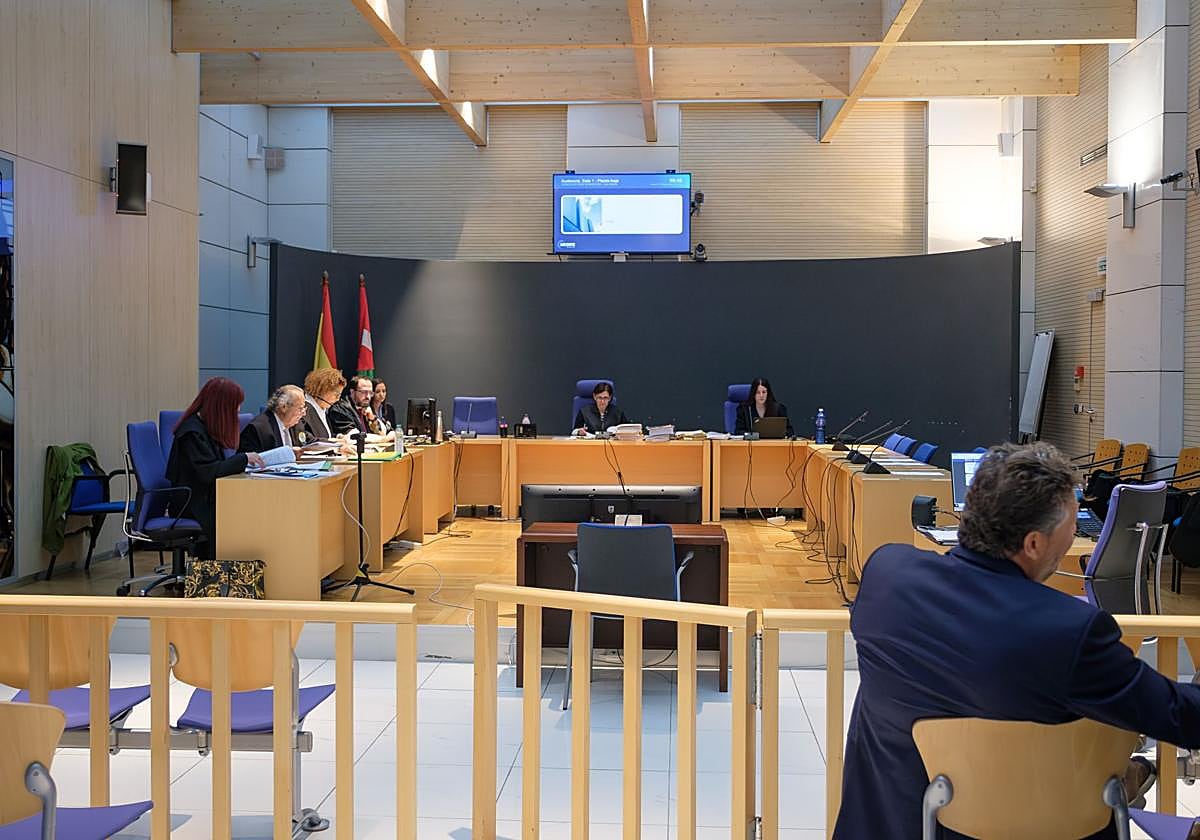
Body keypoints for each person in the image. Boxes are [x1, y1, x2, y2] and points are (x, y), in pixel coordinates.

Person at [834, 442, 1200, 840]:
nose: (1074, 532)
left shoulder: (886, 575)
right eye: (1072, 523)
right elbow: (1182, 717)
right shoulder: (1070, 632)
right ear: (1034, 543)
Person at [166, 377, 265, 559]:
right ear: (221, 406)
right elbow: (209, 472)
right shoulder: (192, 432)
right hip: (190, 502)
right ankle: (219, 576)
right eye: (235, 405)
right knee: (237, 518)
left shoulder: (204, 427)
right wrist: (243, 458)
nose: (238, 410)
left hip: (204, 496)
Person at [239, 384, 308, 453]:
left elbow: (309, 442)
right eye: (300, 408)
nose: (304, 413)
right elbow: (251, 460)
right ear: (284, 407)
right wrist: (286, 455)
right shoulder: (258, 430)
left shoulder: (296, 424)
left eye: (304, 408)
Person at [301, 368, 346, 440]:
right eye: (336, 394)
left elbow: (323, 434)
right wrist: (333, 442)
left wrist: (336, 437)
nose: (337, 399)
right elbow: (304, 438)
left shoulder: (322, 408)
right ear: (323, 389)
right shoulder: (303, 409)